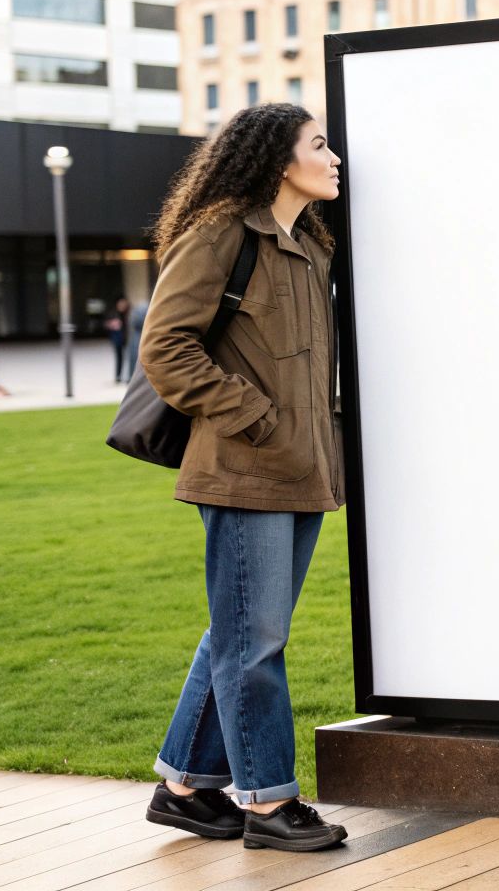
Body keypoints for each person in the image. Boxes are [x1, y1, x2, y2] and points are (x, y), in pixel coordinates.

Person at [138, 102, 348, 852]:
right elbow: (165, 348)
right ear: (276, 160)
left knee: (240, 633)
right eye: (320, 146)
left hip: (302, 470)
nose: (334, 158)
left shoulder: (311, 245)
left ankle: (186, 790)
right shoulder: (222, 232)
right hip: (242, 469)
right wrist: (257, 417)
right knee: (253, 642)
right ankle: (267, 804)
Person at [106, 296, 133, 383]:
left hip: (128, 339)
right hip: (117, 339)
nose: (122, 305)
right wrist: (112, 325)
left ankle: (129, 376)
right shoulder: (113, 313)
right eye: (120, 303)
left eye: (123, 303)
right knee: (119, 357)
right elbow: (106, 324)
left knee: (130, 357)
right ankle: (118, 376)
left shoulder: (129, 314)